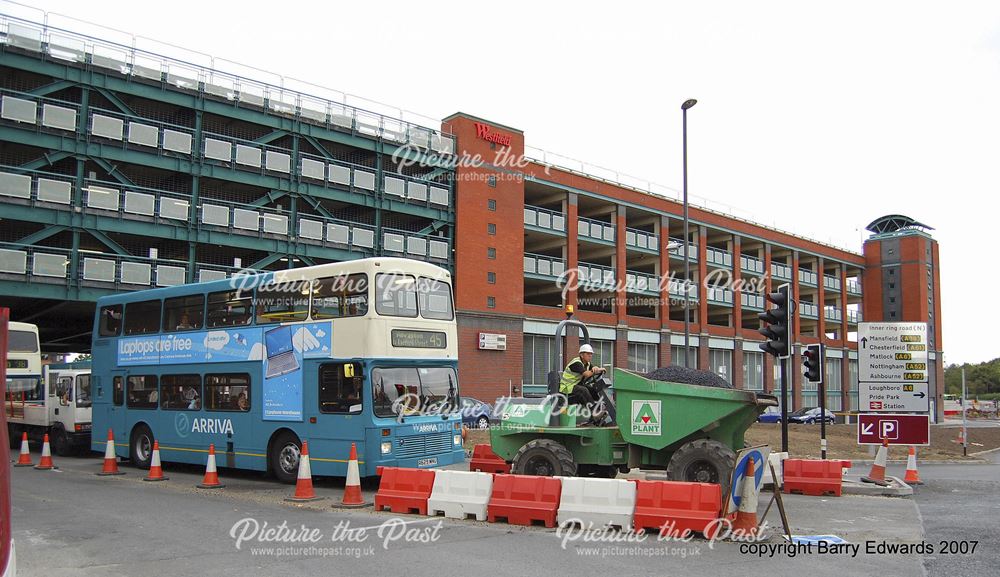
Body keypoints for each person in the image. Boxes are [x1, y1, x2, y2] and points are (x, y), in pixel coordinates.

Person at [558, 344, 607, 423]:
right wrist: (596, 370)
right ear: (581, 354)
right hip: (566, 389)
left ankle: (599, 410)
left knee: (593, 389)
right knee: (583, 390)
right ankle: (595, 413)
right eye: (588, 354)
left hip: (574, 387)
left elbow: (593, 369)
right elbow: (587, 374)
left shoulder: (587, 363)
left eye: (591, 354)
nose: (590, 356)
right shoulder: (576, 363)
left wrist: (596, 368)